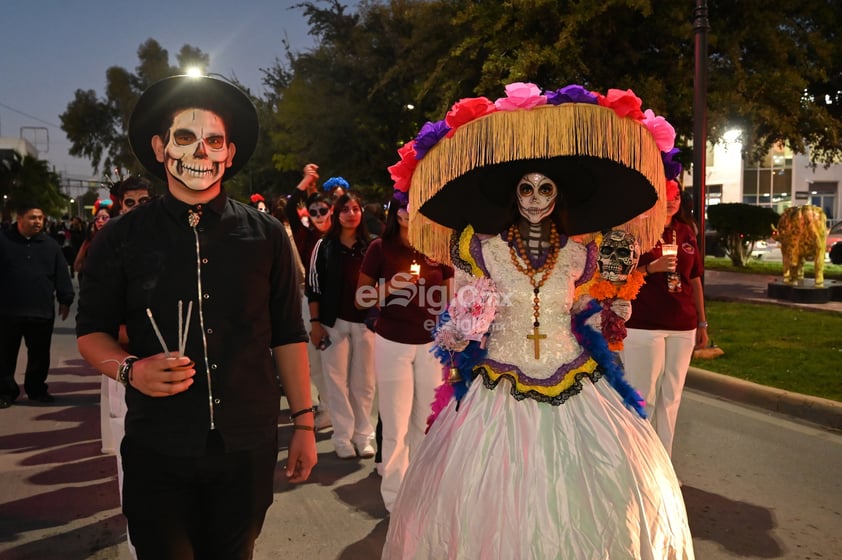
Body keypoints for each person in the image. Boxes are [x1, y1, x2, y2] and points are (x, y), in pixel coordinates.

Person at [380, 82, 694, 558]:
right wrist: (463, 325)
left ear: (557, 196)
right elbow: (459, 309)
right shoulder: (480, 249)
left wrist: (614, 304)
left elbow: (590, 304)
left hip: (576, 381)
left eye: (545, 188)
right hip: (495, 387)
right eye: (525, 187)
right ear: (513, 194)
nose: (534, 197)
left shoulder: (579, 255)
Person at [75, 74, 317, 559]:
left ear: (229, 153)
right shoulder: (120, 238)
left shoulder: (267, 235)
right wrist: (131, 369)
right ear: (161, 147)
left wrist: (305, 425)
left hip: (247, 443)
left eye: (214, 140)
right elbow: (91, 333)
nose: (201, 151)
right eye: (185, 138)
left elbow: (288, 335)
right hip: (158, 443)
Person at [356, 196, 453, 510]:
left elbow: (451, 299)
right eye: (404, 207)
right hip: (392, 341)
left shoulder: (438, 248)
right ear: (394, 212)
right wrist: (391, 287)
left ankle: (421, 489)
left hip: (431, 344)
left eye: (417, 207)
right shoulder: (379, 249)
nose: (410, 213)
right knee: (395, 422)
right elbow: (361, 298)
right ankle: (395, 497)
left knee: (425, 420)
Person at [621, 179, 708, 458]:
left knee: (671, 397)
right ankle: (638, 462)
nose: (672, 200)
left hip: (683, 325)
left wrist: (702, 323)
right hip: (644, 325)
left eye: (678, 195)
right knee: (642, 395)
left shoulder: (685, 232)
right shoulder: (637, 230)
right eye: (667, 194)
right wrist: (650, 268)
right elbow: (617, 277)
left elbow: (694, 280)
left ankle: (664, 466)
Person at [307, 191, 376, 459]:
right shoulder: (324, 246)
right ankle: (342, 437)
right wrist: (315, 323)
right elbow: (314, 288)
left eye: (355, 208)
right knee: (336, 382)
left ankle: (363, 435)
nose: (351, 213)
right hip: (333, 322)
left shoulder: (371, 247)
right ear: (336, 214)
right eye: (345, 209)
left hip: (366, 323)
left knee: (365, 383)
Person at [0, 200, 75, 408]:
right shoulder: (3, 241)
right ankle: (5, 392)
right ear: (20, 218)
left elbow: (61, 274)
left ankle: (36, 389)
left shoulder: (50, 246)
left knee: (40, 355)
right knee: (5, 355)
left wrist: (65, 299)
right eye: (32, 218)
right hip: (7, 312)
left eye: (40, 218)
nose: (37, 222)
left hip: (41, 311)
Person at [286, 164, 334, 431]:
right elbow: (292, 207)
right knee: (316, 362)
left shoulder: (345, 237)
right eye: (313, 211)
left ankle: (352, 420)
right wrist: (305, 182)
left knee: (349, 367)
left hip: (342, 307)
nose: (318, 215)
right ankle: (327, 408)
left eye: (323, 210)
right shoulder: (306, 237)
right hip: (311, 303)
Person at [73, 201, 112, 275]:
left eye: (104, 218)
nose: (100, 221)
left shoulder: (118, 239)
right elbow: (77, 266)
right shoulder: (89, 240)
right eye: (97, 218)